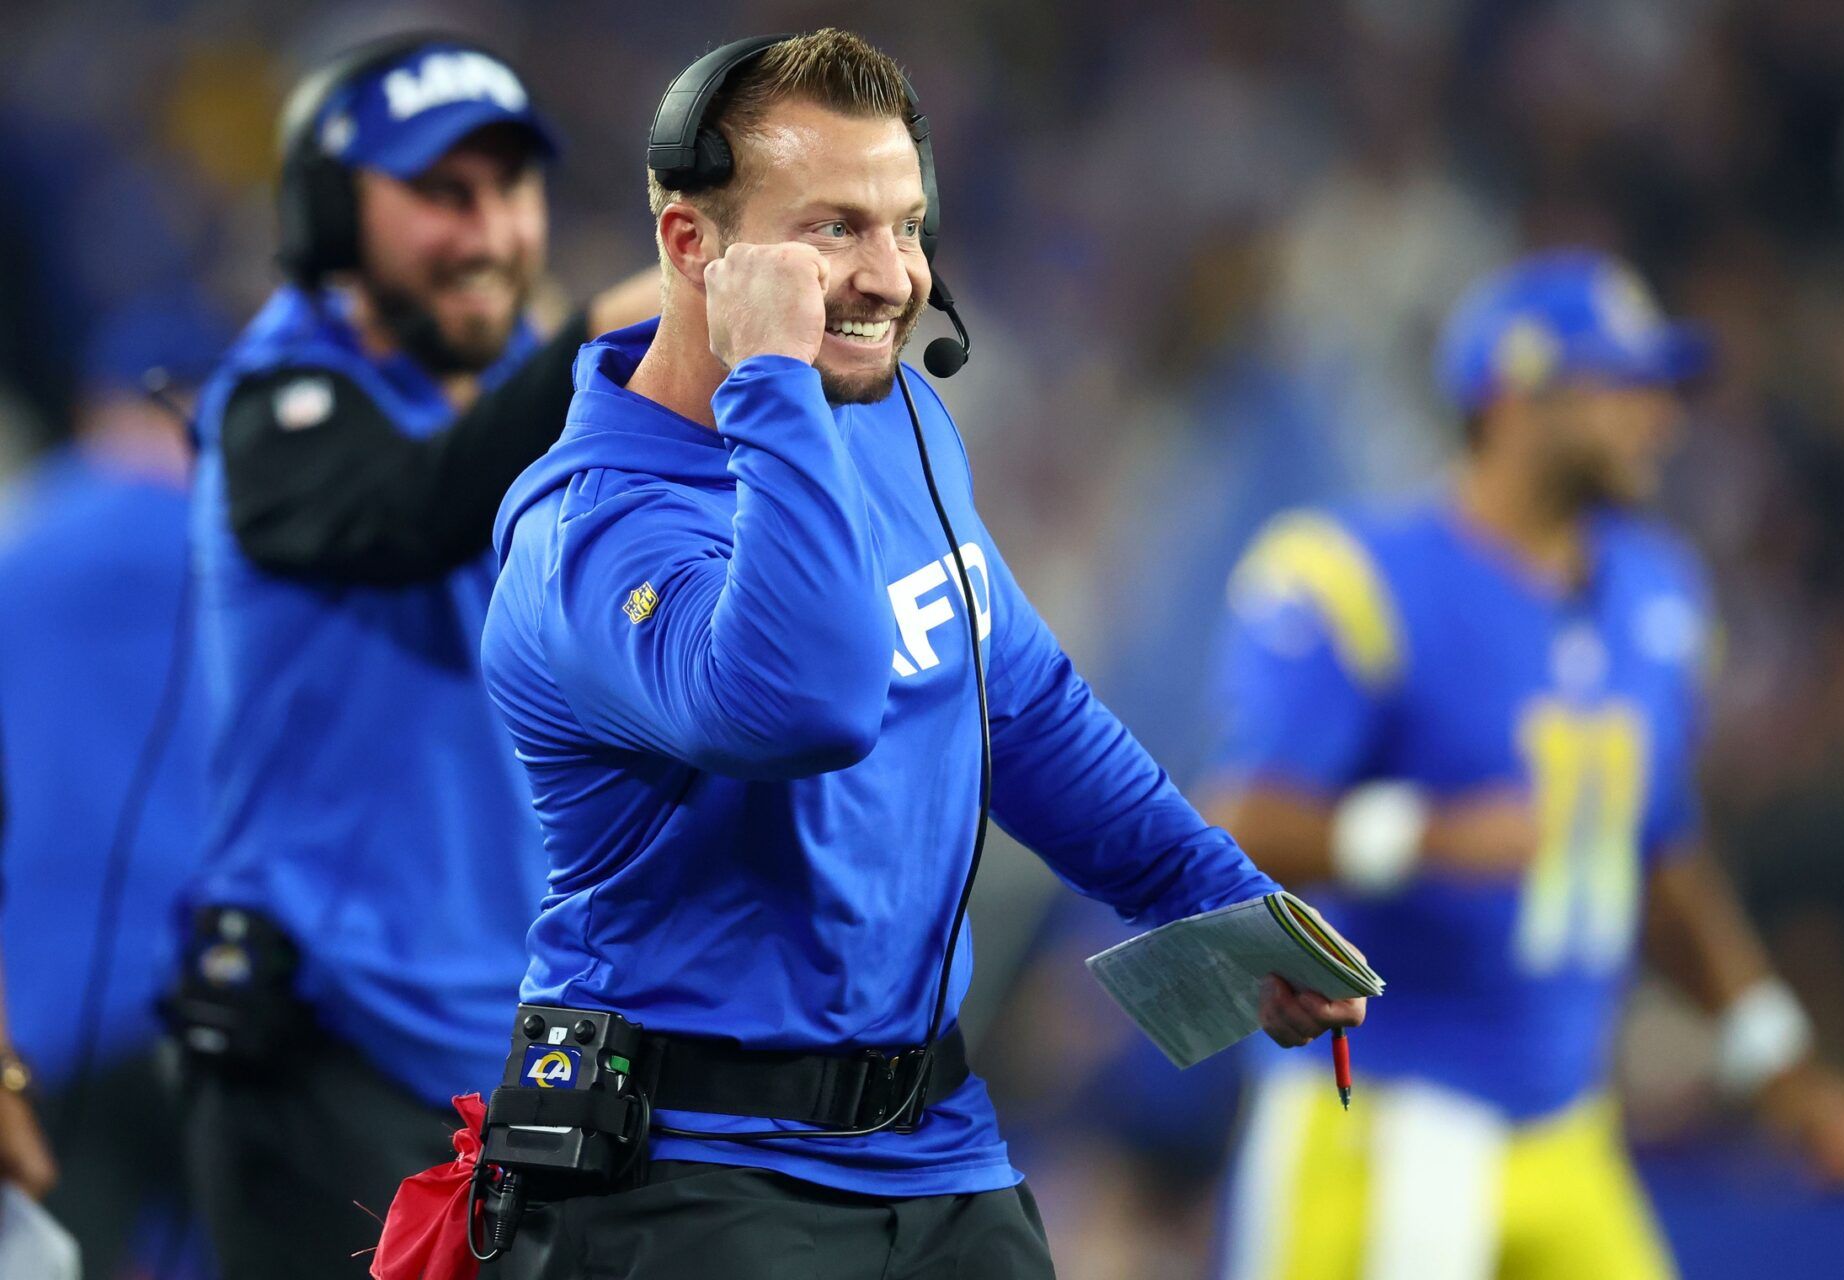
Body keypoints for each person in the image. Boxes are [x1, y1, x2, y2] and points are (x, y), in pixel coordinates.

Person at [474, 28, 1364, 1280]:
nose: (892, 276)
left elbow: (1023, 701)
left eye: (906, 223)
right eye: (834, 228)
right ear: (692, 247)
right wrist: (771, 374)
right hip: (693, 1177)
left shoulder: (891, 418)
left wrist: (1208, 897)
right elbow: (803, 705)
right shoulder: (594, 532)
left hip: (938, 1151)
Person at [1204, 249, 1844, 1280]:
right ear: (1514, 399)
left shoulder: (1656, 596)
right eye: (1621, 386)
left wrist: (1777, 1062)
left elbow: (1661, 863)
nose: (1657, 418)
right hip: (1387, 1112)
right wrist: (1420, 835)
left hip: (1566, 1119)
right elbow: (1231, 828)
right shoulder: (1363, 576)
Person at [171, 34, 659, 1279]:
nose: (489, 233)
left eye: (508, 191)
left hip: (527, 1045)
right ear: (334, 214)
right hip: (336, 1059)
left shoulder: (524, 392)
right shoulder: (278, 408)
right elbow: (414, 508)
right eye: (442, 196)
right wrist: (597, 340)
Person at [0, 294, 225, 1278]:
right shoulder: (245, 547)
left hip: (58, 997)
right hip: (229, 983)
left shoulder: (20, 542)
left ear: (96, 407)